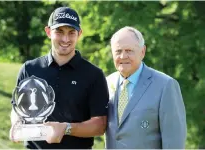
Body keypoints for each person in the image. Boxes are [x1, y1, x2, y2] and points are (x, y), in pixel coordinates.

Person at [10, 7, 109, 149]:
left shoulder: (94, 74)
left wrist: (66, 128)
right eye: (59, 31)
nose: (65, 39)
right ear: (48, 32)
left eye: (71, 33)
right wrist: (16, 123)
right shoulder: (29, 69)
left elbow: (100, 125)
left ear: (79, 34)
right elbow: (17, 107)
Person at [105, 26, 187, 149]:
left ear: (142, 52)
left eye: (129, 50)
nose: (123, 56)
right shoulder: (106, 83)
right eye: (118, 51)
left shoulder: (165, 86)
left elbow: (174, 142)